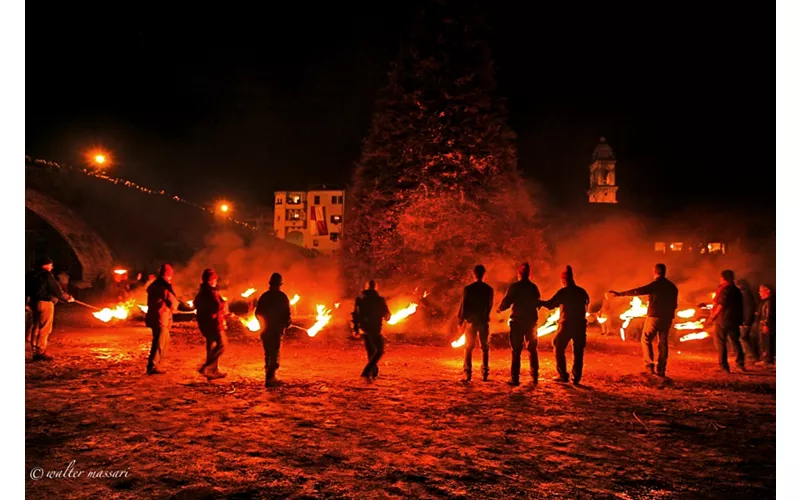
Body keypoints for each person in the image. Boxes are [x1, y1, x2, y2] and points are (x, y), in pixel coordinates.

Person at [609, 263, 678, 377]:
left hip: (654, 317)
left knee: (645, 338)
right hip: (667, 318)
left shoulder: (656, 285)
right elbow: (674, 304)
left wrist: (621, 294)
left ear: (655, 272)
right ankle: (661, 369)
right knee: (663, 343)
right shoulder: (672, 287)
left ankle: (649, 366)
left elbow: (639, 291)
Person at [540, 266, 590, 385]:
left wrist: (538, 302)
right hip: (580, 325)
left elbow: (551, 304)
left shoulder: (564, 291)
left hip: (566, 324)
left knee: (558, 345)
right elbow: (587, 304)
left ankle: (563, 375)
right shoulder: (582, 292)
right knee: (578, 351)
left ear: (563, 280)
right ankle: (576, 378)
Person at [497, 263, 542, 386]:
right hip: (531, 322)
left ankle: (515, 378)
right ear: (529, 274)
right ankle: (534, 377)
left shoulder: (515, 287)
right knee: (532, 350)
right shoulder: (533, 288)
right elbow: (537, 303)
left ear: (519, 274)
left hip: (517, 322)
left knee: (516, 351)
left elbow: (507, 301)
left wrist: (499, 309)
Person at [26, 256, 75, 360]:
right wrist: (67, 298)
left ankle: (35, 351)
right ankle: (41, 352)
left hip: (33, 303)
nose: (52, 267)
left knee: (36, 326)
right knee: (44, 328)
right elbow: (56, 290)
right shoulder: (46, 275)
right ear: (46, 265)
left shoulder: (30, 274)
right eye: (51, 265)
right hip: (45, 303)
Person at [457, 265, 494, 382]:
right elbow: (489, 305)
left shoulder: (469, 289)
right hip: (483, 320)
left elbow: (464, 305)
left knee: (468, 347)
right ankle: (485, 373)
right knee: (485, 347)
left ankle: (467, 373)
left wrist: (461, 320)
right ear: (484, 274)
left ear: (474, 274)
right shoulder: (488, 289)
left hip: (472, 321)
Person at [255, 273, 292, 386]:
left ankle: (269, 376)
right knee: (274, 353)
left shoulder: (264, 296)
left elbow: (257, 313)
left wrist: (263, 324)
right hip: (275, 331)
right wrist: (286, 323)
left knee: (268, 352)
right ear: (280, 284)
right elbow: (287, 314)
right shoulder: (282, 297)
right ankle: (271, 378)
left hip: (266, 331)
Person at [352, 280, 391, 381]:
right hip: (375, 328)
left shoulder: (360, 299)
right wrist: (387, 316)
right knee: (379, 350)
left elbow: (356, 314)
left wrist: (356, 328)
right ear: (375, 287)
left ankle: (373, 373)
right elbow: (387, 315)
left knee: (371, 351)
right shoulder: (379, 300)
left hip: (364, 328)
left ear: (366, 287)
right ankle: (366, 372)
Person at [194, 269, 228, 380]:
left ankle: (212, 371)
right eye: (214, 279)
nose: (216, 282)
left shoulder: (202, 291)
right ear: (212, 280)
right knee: (223, 344)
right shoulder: (211, 292)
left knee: (212, 345)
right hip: (214, 323)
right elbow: (216, 306)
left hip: (205, 323)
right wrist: (223, 304)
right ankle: (207, 367)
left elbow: (197, 305)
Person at [709, 269, 745, 373]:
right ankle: (740, 364)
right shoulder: (737, 290)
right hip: (734, 320)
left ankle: (723, 366)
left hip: (723, 319)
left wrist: (713, 317)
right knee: (735, 341)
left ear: (723, 278)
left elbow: (721, 304)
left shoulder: (724, 289)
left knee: (720, 342)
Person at [144, 264, 179, 375]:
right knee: (159, 342)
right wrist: (176, 307)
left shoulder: (156, 284)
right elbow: (172, 301)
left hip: (157, 316)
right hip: (160, 317)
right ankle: (152, 366)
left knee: (165, 340)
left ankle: (157, 364)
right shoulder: (163, 286)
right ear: (167, 275)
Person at [736, 279, 759, 362]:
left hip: (746, 320)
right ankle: (749, 355)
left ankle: (751, 356)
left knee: (743, 338)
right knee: (744, 338)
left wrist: (747, 321)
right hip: (744, 320)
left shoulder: (746, 295)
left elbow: (749, 308)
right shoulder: (745, 294)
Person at [755, 284, 775, 366]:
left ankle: (768, 360)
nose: (759, 292)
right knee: (764, 342)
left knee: (767, 342)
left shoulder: (769, 302)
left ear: (768, 291)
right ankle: (766, 359)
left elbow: (768, 314)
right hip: (764, 324)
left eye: (761, 290)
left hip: (766, 324)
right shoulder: (765, 301)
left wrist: (766, 324)